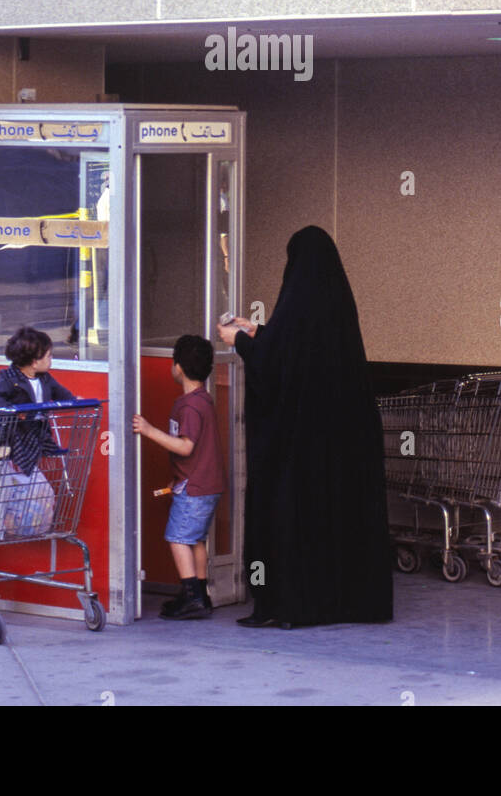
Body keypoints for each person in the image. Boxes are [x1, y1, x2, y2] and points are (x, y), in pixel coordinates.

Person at [218, 225, 392, 629]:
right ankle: (344, 600)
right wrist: (258, 331)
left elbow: (279, 363)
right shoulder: (338, 307)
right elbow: (294, 346)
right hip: (342, 444)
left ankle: (284, 602)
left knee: (283, 516)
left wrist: (238, 342)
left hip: (298, 450)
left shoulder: (296, 305)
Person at [132, 335, 225, 620]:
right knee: (195, 539)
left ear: (179, 368)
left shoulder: (190, 407)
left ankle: (192, 598)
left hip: (195, 488)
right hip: (202, 483)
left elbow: (186, 446)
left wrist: (149, 431)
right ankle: (199, 594)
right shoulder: (201, 400)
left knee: (177, 538)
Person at [0, 327, 76, 408]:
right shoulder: (8, 378)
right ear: (34, 363)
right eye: (48, 356)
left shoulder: (45, 378)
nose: (51, 358)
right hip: (17, 423)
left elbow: (63, 395)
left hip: (41, 424)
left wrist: (76, 401)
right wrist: (12, 412)